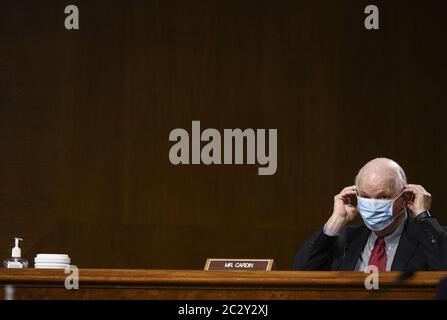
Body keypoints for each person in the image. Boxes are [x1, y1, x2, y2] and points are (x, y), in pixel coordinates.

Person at [294, 158, 447, 271]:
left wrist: (422, 216)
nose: (373, 204)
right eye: (366, 197)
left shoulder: (428, 239)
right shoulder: (345, 240)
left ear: (404, 197)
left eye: (383, 197)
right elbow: (301, 274)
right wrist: (335, 221)